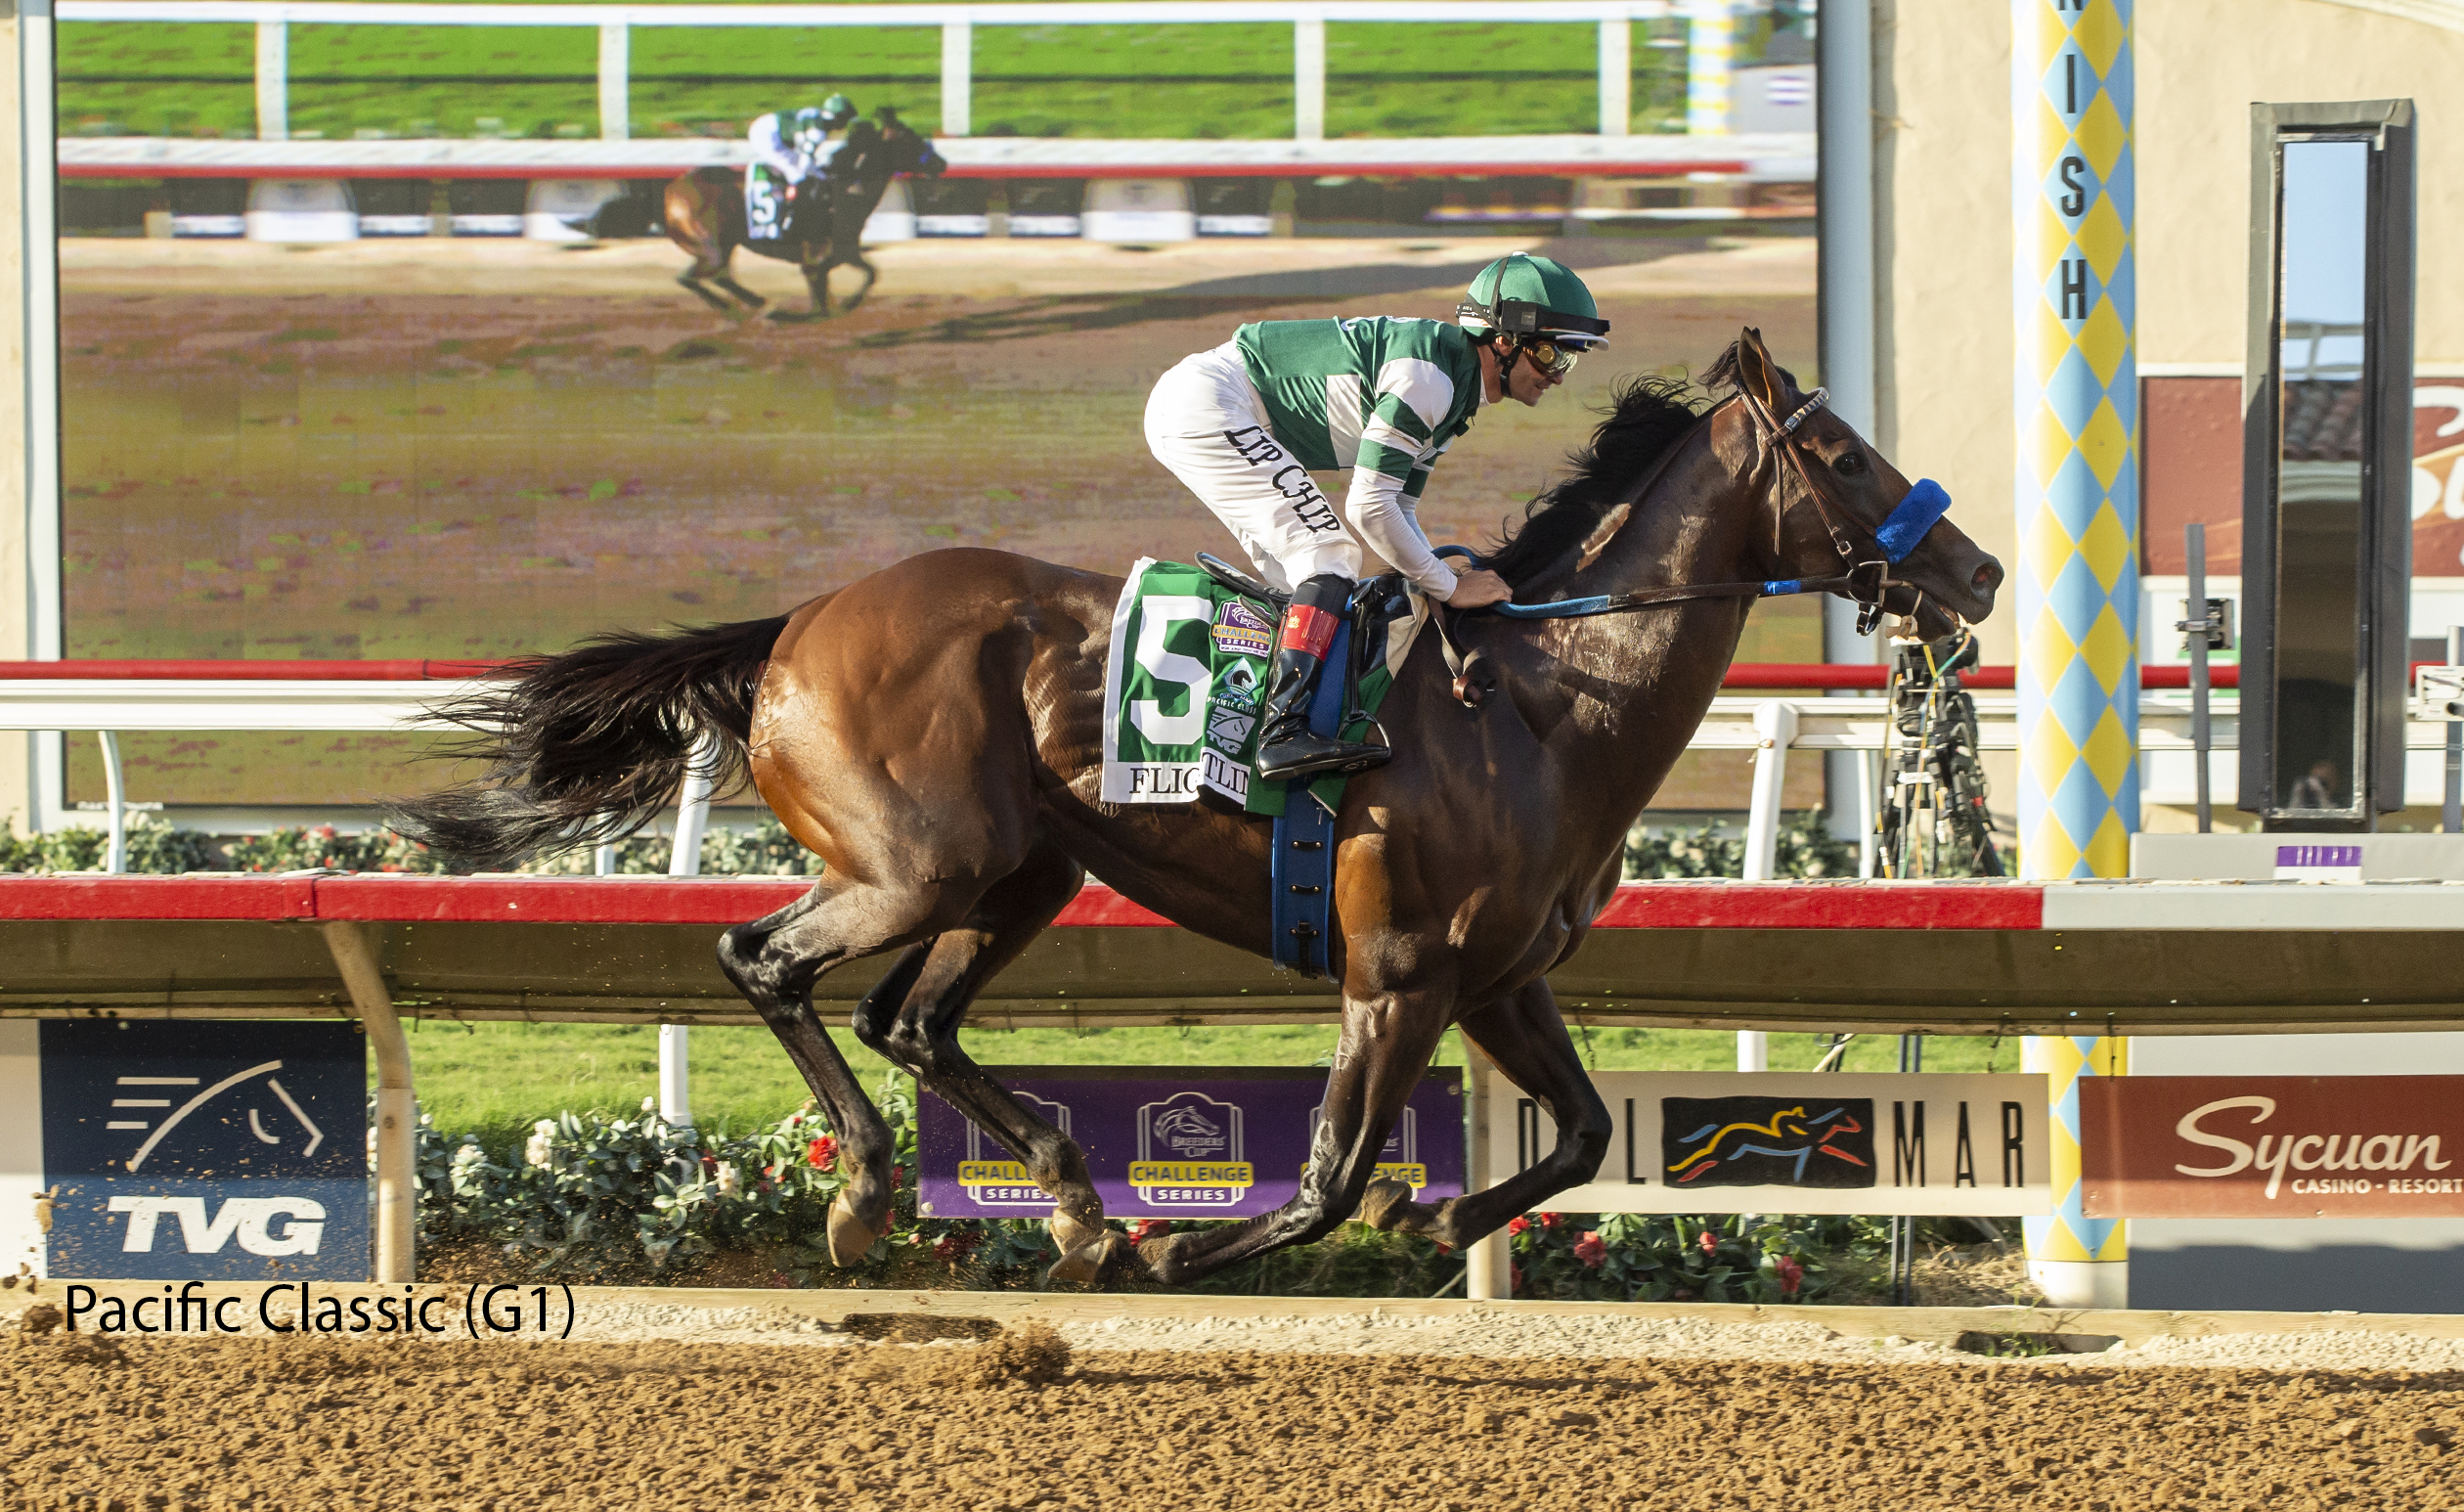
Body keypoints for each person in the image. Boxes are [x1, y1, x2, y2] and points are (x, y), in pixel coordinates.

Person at [1144, 252, 1607, 781]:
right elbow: (1368, 507)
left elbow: (1400, 506)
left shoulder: (1453, 388)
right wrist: (1447, 586)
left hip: (1215, 405)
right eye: (1551, 354)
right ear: (1504, 341)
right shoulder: (1431, 380)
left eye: (1568, 360)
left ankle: (1267, 718)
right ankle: (1282, 732)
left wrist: (1434, 577)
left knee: (1305, 584)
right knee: (1329, 555)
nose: (1558, 377)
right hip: (1210, 403)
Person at [744, 95, 856, 241]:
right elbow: (805, 164)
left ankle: (792, 213)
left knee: (804, 174)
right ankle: (790, 221)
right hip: (766, 137)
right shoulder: (818, 132)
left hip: (768, 128)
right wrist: (820, 177)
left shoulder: (817, 116)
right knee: (799, 177)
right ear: (839, 118)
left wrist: (819, 174)